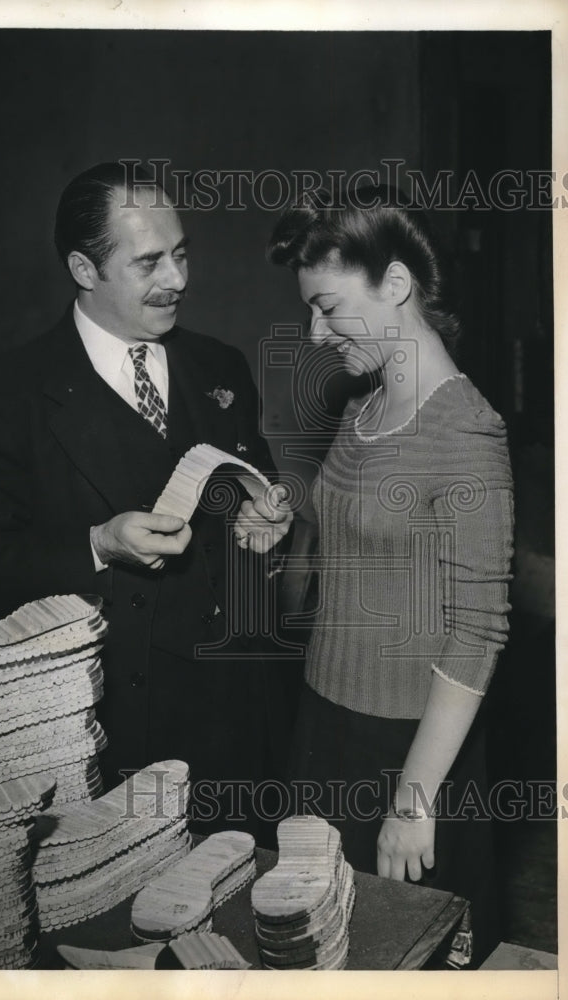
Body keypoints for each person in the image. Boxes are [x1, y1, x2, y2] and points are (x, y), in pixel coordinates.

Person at [0, 161, 294, 839]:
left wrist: (265, 524)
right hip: (111, 728)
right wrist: (97, 544)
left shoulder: (219, 366)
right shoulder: (3, 397)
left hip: (236, 723)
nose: (178, 280)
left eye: (182, 253)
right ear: (84, 269)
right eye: (149, 262)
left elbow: (253, 492)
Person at [267, 185, 514, 965]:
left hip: (408, 753)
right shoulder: (361, 404)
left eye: (330, 309)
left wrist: (412, 798)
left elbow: (477, 631)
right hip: (322, 729)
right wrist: (284, 516)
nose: (314, 333)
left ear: (397, 286)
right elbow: (357, 532)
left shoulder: (466, 432)